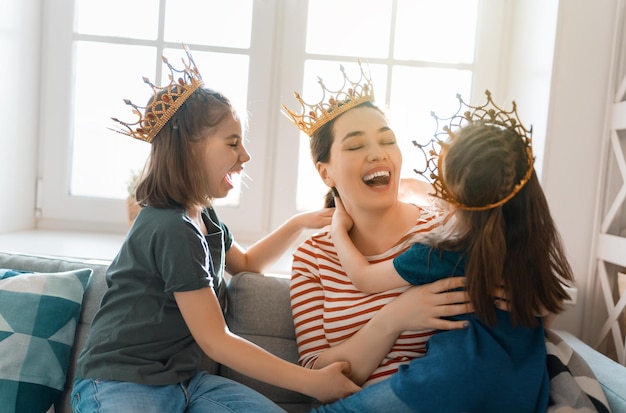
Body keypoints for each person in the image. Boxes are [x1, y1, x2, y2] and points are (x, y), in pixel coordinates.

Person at [70, 46, 360, 413]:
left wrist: (298, 223)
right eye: (233, 144)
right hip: (119, 381)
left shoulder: (202, 217)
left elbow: (246, 263)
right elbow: (216, 341)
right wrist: (314, 382)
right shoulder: (170, 227)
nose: (245, 157)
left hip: (184, 382)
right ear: (189, 149)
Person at [317, 91, 576, 412]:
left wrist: (337, 231)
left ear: (455, 201)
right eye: (356, 145)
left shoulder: (441, 250)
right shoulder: (529, 250)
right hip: (523, 391)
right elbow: (544, 318)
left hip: (446, 383)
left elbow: (364, 277)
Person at [282, 62, 477, 391]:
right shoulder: (311, 259)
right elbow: (316, 375)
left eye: (387, 141)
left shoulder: (444, 230)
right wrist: (393, 319)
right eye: (356, 146)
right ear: (325, 173)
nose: (377, 154)